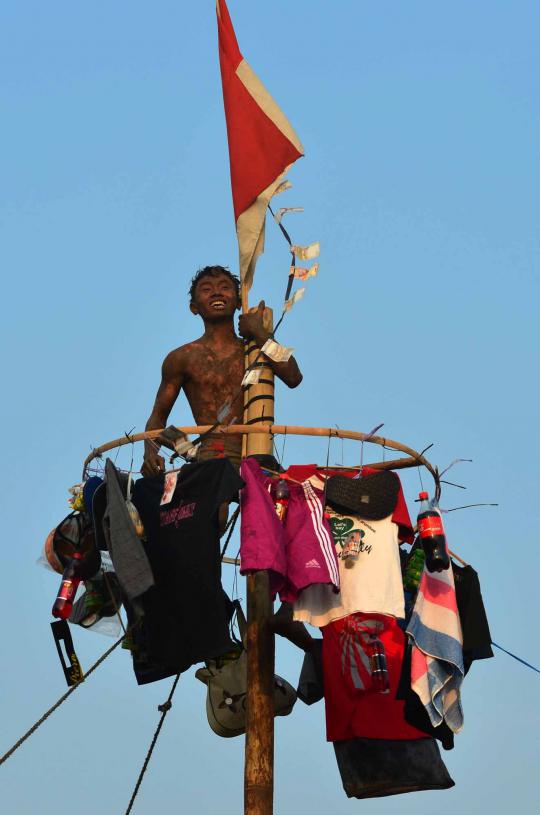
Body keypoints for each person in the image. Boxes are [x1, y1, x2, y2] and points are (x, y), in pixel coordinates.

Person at [142, 264, 302, 475]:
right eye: (207, 289)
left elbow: (293, 376)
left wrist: (260, 334)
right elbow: (157, 417)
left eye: (225, 287)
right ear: (194, 307)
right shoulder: (181, 358)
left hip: (256, 452)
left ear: (238, 302)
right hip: (209, 453)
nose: (217, 292)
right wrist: (150, 453)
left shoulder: (254, 350)